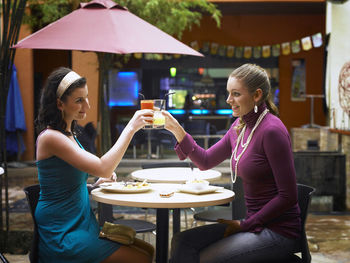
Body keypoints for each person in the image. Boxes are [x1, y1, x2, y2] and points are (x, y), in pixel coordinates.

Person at [163, 63, 301, 263]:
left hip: (278, 232)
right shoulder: (240, 126)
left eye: (236, 94)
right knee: (182, 241)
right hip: (251, 223)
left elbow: (288, 196)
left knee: (205, 258)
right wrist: (177, 130)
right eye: (229, 93)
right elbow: (206, 160)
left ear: (256, 95)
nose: (228, 100)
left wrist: (246, 224)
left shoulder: (271, 131)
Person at [35, 67, 153, 263]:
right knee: (141, 258)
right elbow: (103, 166)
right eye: (79, 100)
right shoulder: (51, 138)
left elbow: (67, 183)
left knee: (147, 251)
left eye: (86, 98)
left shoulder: (69, 135)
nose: (87, 106)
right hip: (63, 233)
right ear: (59, 104)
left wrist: (95, 185)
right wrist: (131, 128)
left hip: (80, 225)